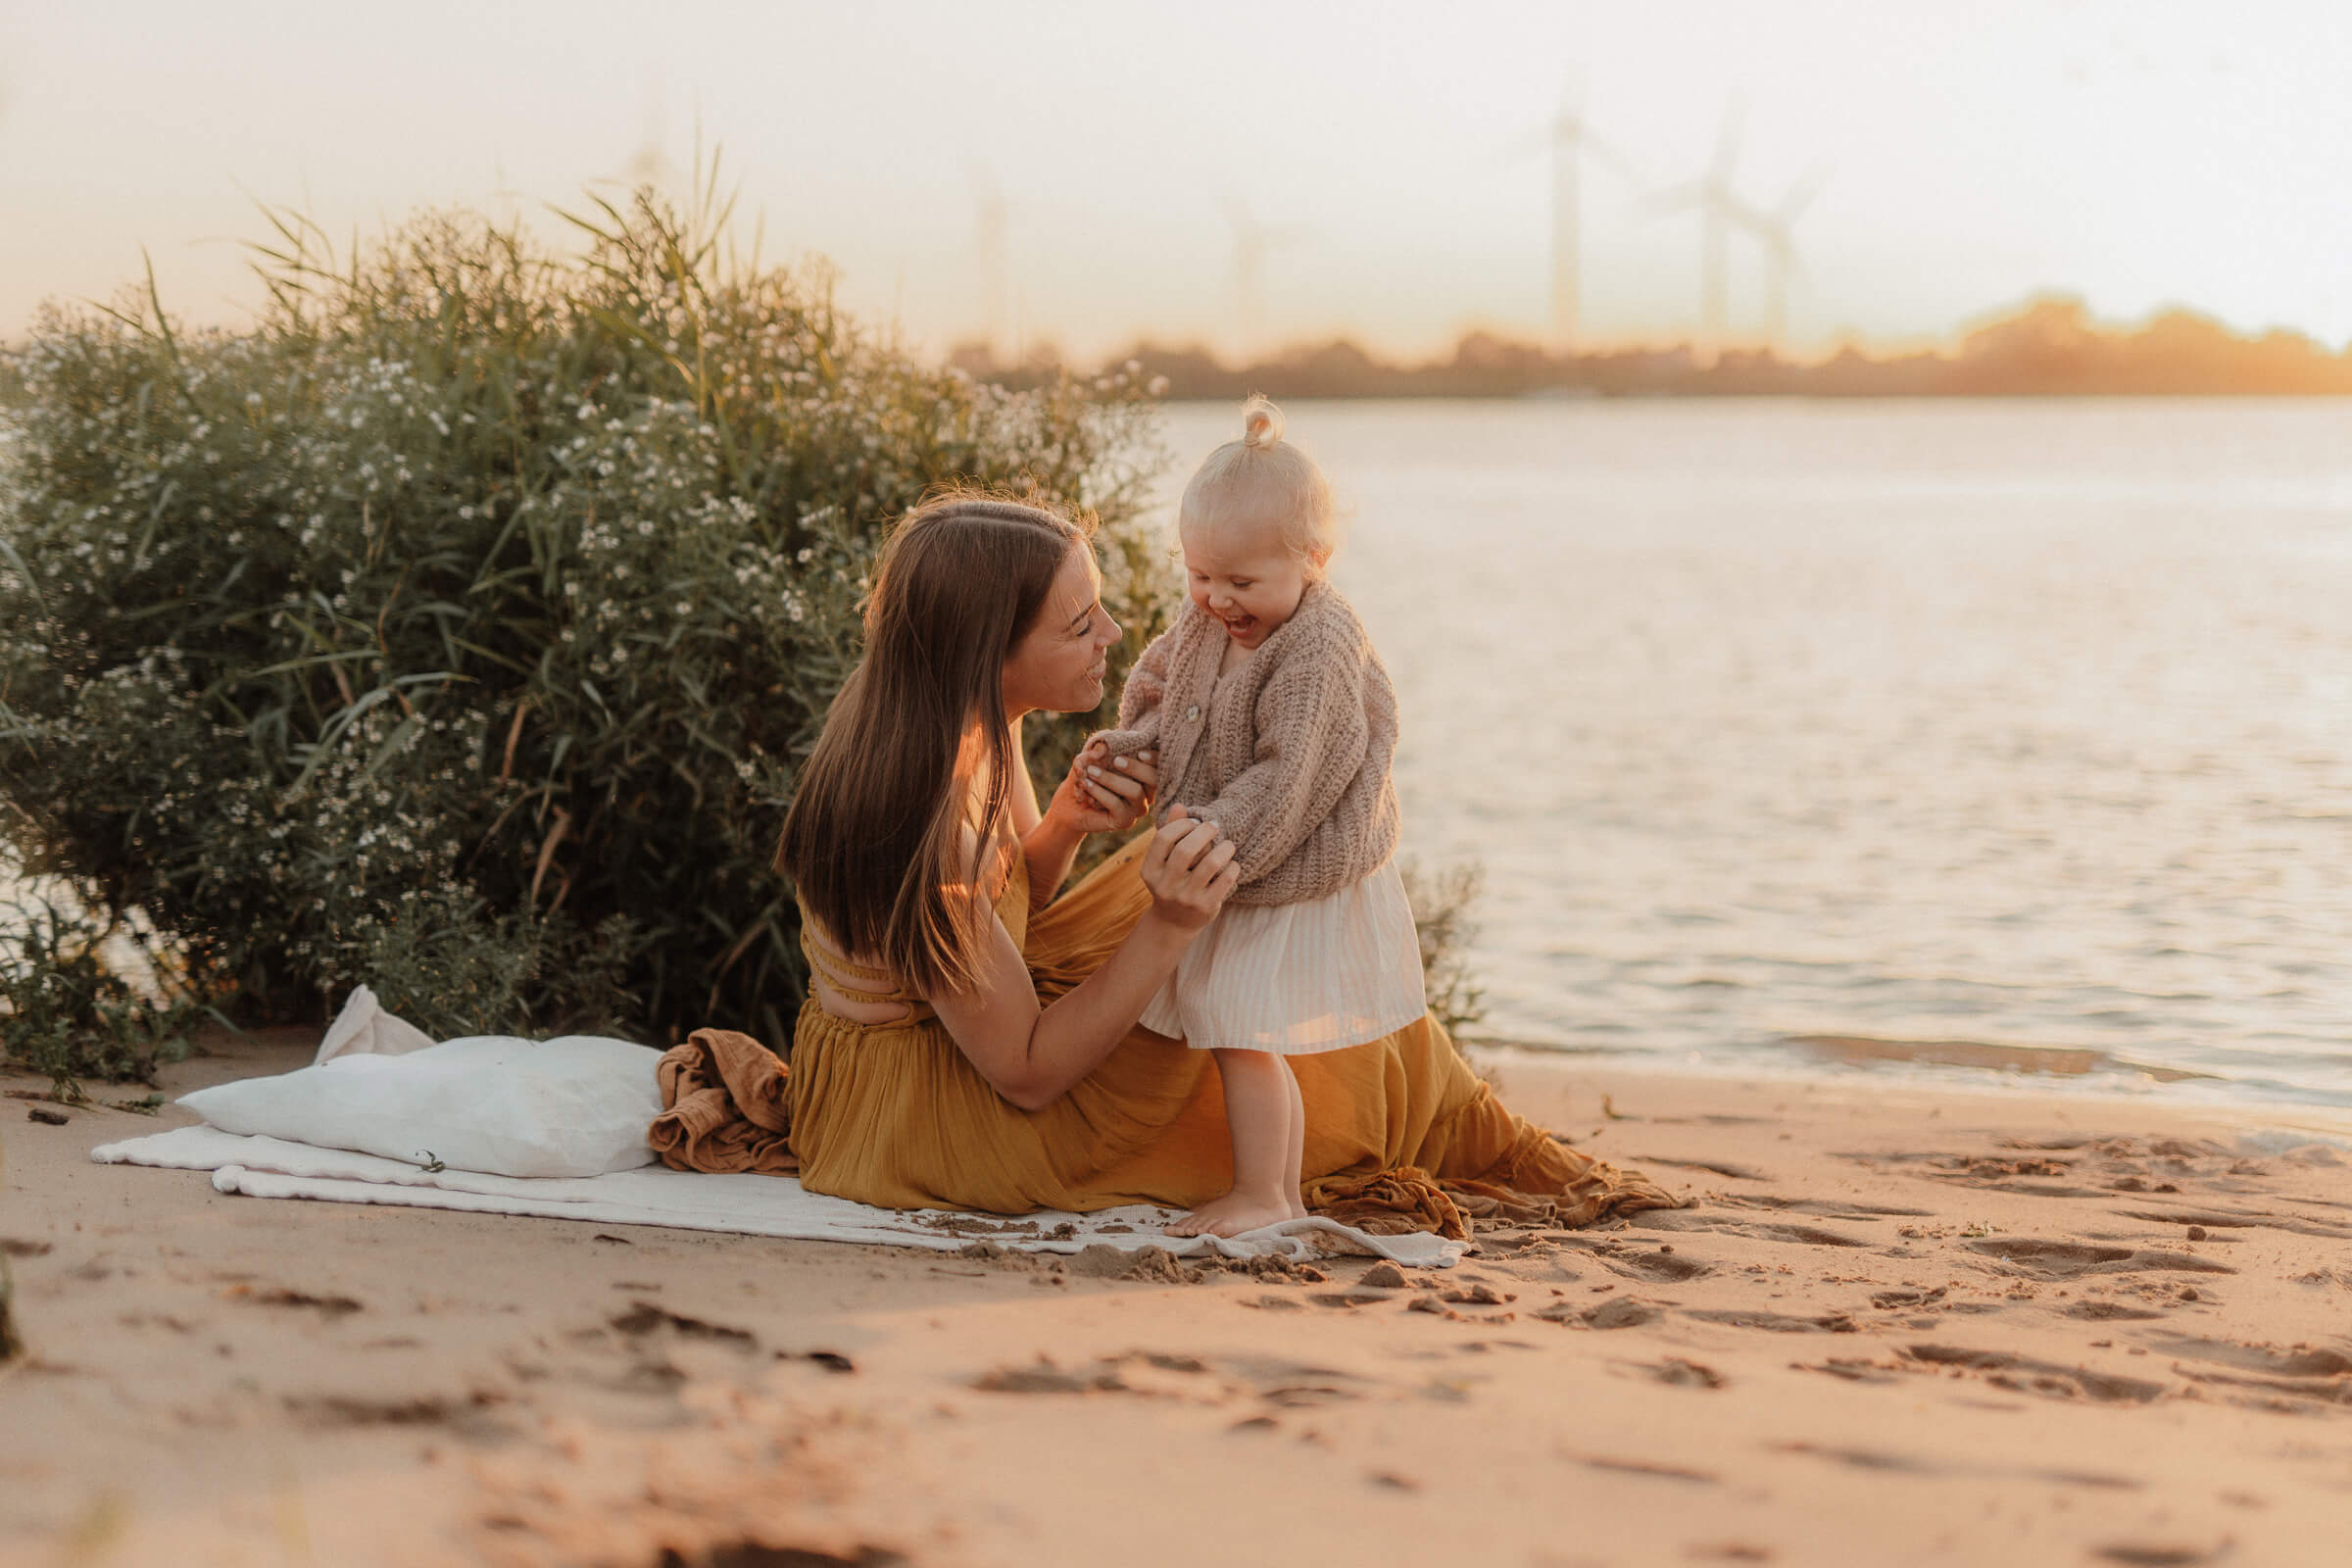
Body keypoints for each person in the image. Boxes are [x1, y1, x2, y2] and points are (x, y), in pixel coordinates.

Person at [768, 485, 1676, 1234]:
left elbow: (1013, 915)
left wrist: (1068, 825)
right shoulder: (926, 829)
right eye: (1079, 624)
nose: (1113, 633)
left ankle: (1448, 1118)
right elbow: (1028, 1073)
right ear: (986, 653)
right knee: (1219, 924)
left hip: (967, 1039)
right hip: (935, 1114)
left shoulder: (961, 720)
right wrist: (1170, 927)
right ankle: (1395, 1137)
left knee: (1225, 876)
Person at [1088, 397, 1421, 1237]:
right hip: (1233, 856)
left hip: (1290, 861)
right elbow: (1163, 688)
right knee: (1242, 1030)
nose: (1216, 599)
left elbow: (1290, 778)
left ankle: (1264, 1192)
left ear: (1314, 559)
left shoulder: (1318, 647)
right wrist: (1135, 745)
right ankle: (1279, 1193)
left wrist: (1209, 838)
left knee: (1242, 1031)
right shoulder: (1208, 620)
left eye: (1241, 583)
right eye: (1199, 575)